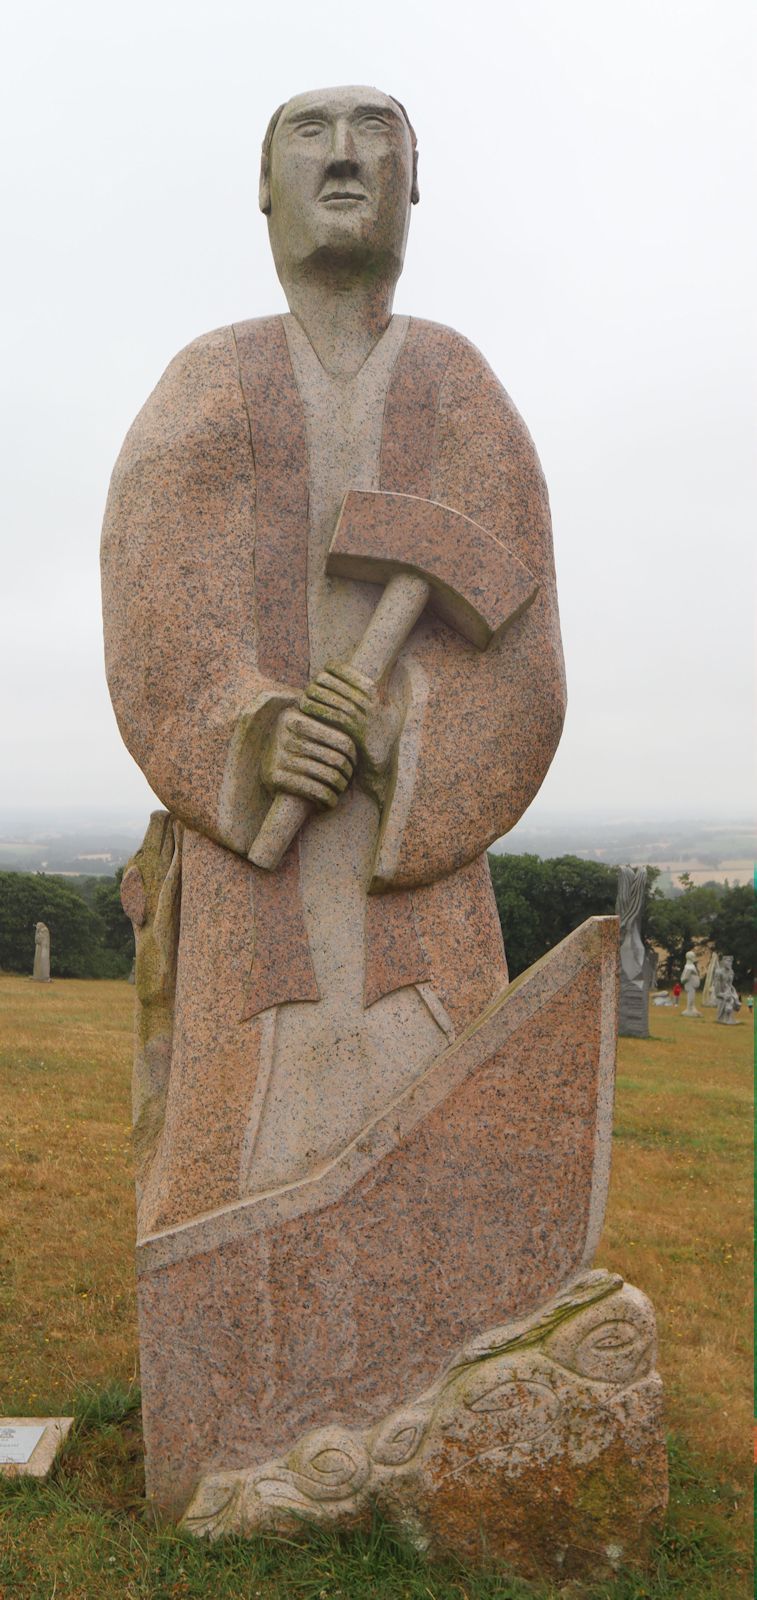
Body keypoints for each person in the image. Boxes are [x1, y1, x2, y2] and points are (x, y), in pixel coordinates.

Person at [102, 86, 566, 1234]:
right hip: (248, 881)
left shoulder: (460, 389)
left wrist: (395, 728)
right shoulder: (205, 384)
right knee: (230, 1169)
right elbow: (153, 616)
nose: (347, 156)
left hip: (422, 901)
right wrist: (253, 731)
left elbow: (523, 653)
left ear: (415, 184)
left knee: (450, 1164)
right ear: (263, 187)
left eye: (378, 135)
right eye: (310, 133)